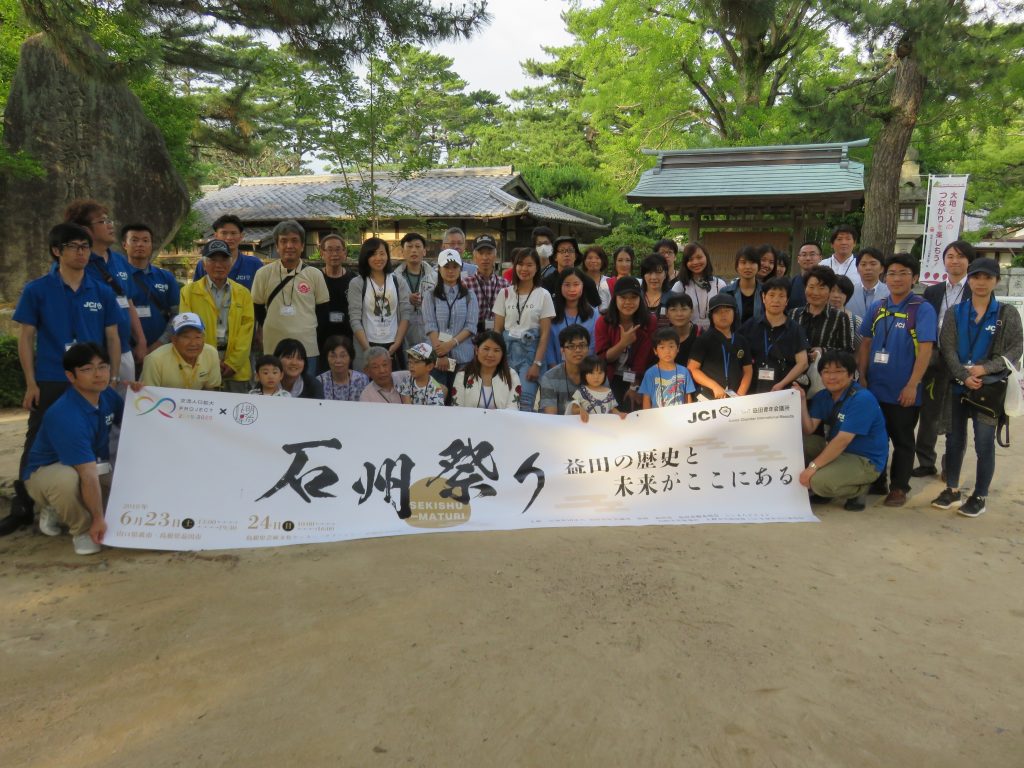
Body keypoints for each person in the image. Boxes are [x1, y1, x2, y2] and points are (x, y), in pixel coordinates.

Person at [3, 223, 121, 537]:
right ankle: (24, 506)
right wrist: (31, 382)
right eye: (74, 246)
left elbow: (112, 337)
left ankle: (70, 504)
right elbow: (26, 337)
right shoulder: (37, 289)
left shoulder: (101, 290)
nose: (81, 252)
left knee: (93, 438)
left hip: (93, 379)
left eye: (85, 246)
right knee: (37, 439)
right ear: (57, 251)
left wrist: (112, 377)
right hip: (52, 377)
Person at [932, 258, 1023, 518]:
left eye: (987, 277)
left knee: (984, 442)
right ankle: (952, 489)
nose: (981, 283)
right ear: (969, 280)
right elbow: (947, 347)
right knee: (954, 440)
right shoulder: (955, 312)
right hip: (958, 385)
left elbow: (1016, 348)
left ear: (996, 281)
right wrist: (963, 375)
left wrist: (986, 369)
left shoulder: (1006, 313)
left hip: (988, 388)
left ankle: (980, 495)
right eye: (975, 277)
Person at [21, 343, 123, 555]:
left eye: (102, 366)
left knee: (125, 486)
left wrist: (140, 393)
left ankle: (62, 507)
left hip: (93, 463)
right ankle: (81, 530)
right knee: (67, 480)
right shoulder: (65, 414)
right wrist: (97, 520)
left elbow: (132, 420)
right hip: (47, 471)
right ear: (71, 376)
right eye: (87, 369)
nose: (98, 374)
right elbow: (87, 473)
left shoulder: (107, 395)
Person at [858, 253, 937, 507]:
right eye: (892, 273)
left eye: (903, 273)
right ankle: (877, 480)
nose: (897, 278)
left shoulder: (921, 309)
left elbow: (926, 350)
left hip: (903, 390)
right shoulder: (878, 307)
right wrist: (862, 376)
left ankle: (900, 487)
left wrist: (912, 385)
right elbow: (865, 343)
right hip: (874, 388)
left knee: (902, 440)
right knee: (875, 437)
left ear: (914, 278)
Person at [65, 198, 146, 381]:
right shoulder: (74, 265)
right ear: (85, 230)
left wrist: (141, 340)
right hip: (89, 356)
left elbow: (129, 301)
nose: (110, 226)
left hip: (123, 350)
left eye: (110, 220)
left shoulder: (120, 260)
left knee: (123, 398)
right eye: (102, 221)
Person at [796, 350, 888, 511]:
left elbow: (842, 440)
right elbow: (809, 429)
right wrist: (802, 401)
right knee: (801, 444)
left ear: (851, 375)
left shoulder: (862, 399)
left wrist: (812, 468)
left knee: (816, 482)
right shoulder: (822, 396)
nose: (832, 377)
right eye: (826, 372)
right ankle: (832, 480)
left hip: (864, 459)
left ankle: (860, 489)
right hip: (839, 453)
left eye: (838, 371)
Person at [914, 240, 976, 479]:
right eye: (950, 256)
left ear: (969, 262)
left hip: (962, 360)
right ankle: (926, 461)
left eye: (960, 256)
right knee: (929, 412)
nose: (955, 261)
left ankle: (951, 466)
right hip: (934, 357)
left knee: (956, 416)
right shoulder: (933, 291)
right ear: (944, 261)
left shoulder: (975, 289)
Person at [251, 220, 330, 371]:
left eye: (294, 241)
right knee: (274, 385)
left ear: (302, 245)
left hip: (307, 349)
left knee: (306, 385)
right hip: (273, 347)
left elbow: (323, 312)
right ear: (277, 246)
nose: (289, 246)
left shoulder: (314, 274)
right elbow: (257, 308)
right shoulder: (263, 273)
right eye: (284, 241)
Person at [179, 239, 256, 393]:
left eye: (224, 260)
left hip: (236, 370)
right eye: (213, 260)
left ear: (231, 263)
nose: (219, 265)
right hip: (201, 366)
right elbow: (187, 331)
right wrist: (210, 362)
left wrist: (233, 363)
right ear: (204, 264)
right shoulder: (188, 292)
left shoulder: (243, 293)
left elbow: (246, 332)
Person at [493, 248, 555, 412]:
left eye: (529, 265)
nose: (524, 269)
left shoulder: (543, 295)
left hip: (530, 355)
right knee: (502, 400)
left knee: (524, 402)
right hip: (507, 353)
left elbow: (545, 334)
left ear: (537, 268)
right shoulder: (505, 293)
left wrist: (537, 364)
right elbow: (497, 330)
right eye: (520, 264)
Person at [347, 237, 414, 371]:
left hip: (394, 345)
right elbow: (354, 318)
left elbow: (406, 313)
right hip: (367, 344)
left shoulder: (398, 281)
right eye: (373, 254)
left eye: (382, 253)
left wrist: (397, 343)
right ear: (366, 257)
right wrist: (368, 350)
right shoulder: (357, 283)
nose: (378, 258)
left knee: (395, 381)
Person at [595, 277, 657, 411]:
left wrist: (634, 386)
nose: (628, 302)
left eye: (633, 297)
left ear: (640, 299)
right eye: (623, 297)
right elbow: (603, 358)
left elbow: (644, 357)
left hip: (640, 377)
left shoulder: (649, 321)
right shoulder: (603, 321)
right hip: (611, 376)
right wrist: (623, 343)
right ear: (615, 298)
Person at [739, 277, 809, 395]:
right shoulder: (750, 325)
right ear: (763, 297)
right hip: (753, 390)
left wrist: (782, 384)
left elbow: (803, 363)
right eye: (771, 295)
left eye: (781, 296)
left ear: (787, 300)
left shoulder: (795, 329)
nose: (776, 300)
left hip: (783, 391)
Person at [422, 249, 479, 394]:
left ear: (460, 269)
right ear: (439, 269)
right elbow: (430, 325)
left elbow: (471, 326)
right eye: (446, 267)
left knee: (460, 398)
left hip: (463, 357)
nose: (451, 271)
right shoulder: (430, 296)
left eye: (455, 267)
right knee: (437, 397)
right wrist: (441, 353)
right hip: (436, 358)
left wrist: (450, 344)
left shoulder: (469, 296)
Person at [122, 223, 177, 352]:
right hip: (126, 351)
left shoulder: (166, 277)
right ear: (124, 244)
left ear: (152, 245)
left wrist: (160, 343)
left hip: (162, 349)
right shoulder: (116, 277)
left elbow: (176, 314)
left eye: (145, 240)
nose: (140, 244)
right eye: (134, 240)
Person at [687, 293, 753, 400]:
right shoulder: (703, 340)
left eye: (727, 311)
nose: (723, 315)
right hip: (708, 397)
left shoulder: (741, 340)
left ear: (734, 313)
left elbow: (748, 371)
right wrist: (714, 386)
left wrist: (740, 395)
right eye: (718, 311)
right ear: (711, 316)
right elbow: (692, 369)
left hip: (736, 398)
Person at [789, 266, 856, 365]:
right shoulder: (793, 314)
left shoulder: (840, 317)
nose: (815, 292)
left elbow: (847, 351)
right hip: (793, 370)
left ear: (830, 290)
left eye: (821, 288)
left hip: (824, 371)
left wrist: (823, 351)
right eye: (811, 287)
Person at [141, 313, 222, 390]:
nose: (193, 343)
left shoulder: (211, 353)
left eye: (198, 337)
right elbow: (148, 395)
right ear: (174, 340)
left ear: (204, 338)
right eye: (186, 337)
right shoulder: (154, 360)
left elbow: (211, 389)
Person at [451, 331, 522, 409]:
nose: (490, 355)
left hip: (502, 418)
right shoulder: (463, 375)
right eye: (486, 349)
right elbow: (457, 409)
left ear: (502, 354)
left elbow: (513, 410)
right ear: (476, 350)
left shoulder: (511, 376)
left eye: (496, 350)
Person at [193, 214, 264, 291]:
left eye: (233, 233)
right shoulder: (204, 264)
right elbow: (196, 291)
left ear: (241, 236)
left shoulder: (254, 264)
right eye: (224, 233)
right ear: (216, 236)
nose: (229, 237)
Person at [544, 268, 597, 368]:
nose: (572, 289)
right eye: (567, 285)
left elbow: (594, 346)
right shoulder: (551, 313)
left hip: (586, 369)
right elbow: (548, 346)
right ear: (560, 286)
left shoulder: (594, 314)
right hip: (557, 369)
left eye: (576, 284)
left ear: (583, 286)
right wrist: (555, 370)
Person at [394, 232, 437, 348]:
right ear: (402, 251)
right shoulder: (394, 278)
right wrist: (406, 298)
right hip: (403, 332)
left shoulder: (435, 277)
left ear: (424, 251)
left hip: (428, 333)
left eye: (418, 246)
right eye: (409, 246)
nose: (414, 250)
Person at [316, 234, 355, 362]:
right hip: (319, 337)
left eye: (338, 249)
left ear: (345, 253)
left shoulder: (354, 279)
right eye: (329, 250)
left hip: (347, 337)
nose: (334, 254)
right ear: (322, 253)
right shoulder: (315, 277)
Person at [671, 242, 727, 331]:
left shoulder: (719, 284)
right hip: (688, 333)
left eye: (699, 257)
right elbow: (673, 312)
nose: (695, 262)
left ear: (706, 257)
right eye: (690, 259)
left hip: (716, 333)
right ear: (685, 263)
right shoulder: (680, 286)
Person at [462, 234, 509, 333]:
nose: (485, 257)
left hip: (497, 336)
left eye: (489, 253)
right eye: (481, 253)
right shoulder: (465, 284)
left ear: (495, 256)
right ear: (474, 257)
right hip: (472, 336)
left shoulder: (504, 285)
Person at [639, 328, 696, 408]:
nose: (667, 351)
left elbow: (688, 398)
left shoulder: (684, 371)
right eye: (662, 347)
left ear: (678, 348)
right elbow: (646, 400)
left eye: (671, 346)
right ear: (655, 350)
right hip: (658, 415)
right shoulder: (650, 373)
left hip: (680, 415)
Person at [540, 325, 590, 415]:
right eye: (571, 346)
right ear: (562, 350)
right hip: (558, 424)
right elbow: (550, 417)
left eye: (582, 345)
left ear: (588, 349)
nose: (577, 350)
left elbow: (606, 409)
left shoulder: (598, 374)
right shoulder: (550, 378)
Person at [541, 236, 602, 308]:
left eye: (570, 250)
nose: (567, 254)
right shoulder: (546, 283)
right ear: (555, 257)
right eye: (562, 251)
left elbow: (595, 309)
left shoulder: (587, 282)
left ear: (576, 256)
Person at [570, 355, 626, 421]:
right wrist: (580, 410)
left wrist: (619, 414)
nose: (596, 377)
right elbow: (573, 409)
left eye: (600, 373)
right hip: (586, 425)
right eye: (591, 373)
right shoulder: (581, 391)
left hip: (604, 425)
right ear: (584, 374)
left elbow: (612, 409)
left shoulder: (608, 391)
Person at [720, 246, 764, 325]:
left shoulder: (766, 291)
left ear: (758, 266)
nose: (748, 267)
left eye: (752, 262)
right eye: (743, 262)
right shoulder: (726, 292)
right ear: (737, 266)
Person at [317, 335, 369, 401]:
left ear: (351, 357)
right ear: (327, 358)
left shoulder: (362, 380)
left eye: (343, 356)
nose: (338, 360)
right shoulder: (319, 381)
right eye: (333, 356)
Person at [846, 248, 889, 320]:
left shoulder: (890, 293)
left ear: (882, 268)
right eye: (863, 264)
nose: (868, 268)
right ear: (857, 269)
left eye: (873, 264)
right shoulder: (849, 291)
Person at [787, 241, 823, 311]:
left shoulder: (827, 283)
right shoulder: (790, 283)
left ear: (820, 258)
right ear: (798, 259)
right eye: (804, 255)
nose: (808, 258)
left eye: (812, 254)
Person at [665, 293, 699, 364]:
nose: (679, 314)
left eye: (684, 309)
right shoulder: (662, 337)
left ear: (692, 311)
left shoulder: (701, 335)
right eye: (673, 309)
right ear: (666, 313)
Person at [639, 254, 672, 327]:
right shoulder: (636, 297)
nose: (653, 277)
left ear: (665, 274)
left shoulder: (674, 298)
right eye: (649, 273)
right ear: (643, 275)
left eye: (658, 272)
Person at [582, 245, 613, 311]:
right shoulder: (578, 281)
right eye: (590, 258)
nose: (593, 261)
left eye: (597, 258)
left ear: (603, 261)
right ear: (584, 261)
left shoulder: (609, 282)